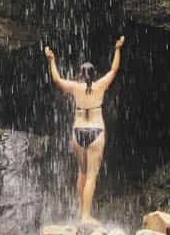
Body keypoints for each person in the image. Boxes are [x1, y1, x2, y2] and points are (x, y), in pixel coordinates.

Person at [44, 36, 125, 225]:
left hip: (78, 132)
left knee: (81, 172)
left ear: (80, 74)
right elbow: (114, 69)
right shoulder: (100, 86)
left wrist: (51, 60)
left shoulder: (75, 87)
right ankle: (86, 216)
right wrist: (118, 49)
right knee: (91, 176)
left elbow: (56, 79)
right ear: (94, 74)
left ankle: (80, 212)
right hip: (96, 132)